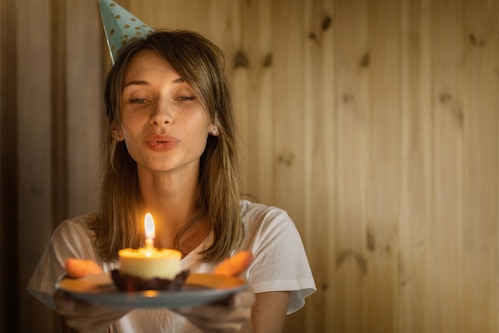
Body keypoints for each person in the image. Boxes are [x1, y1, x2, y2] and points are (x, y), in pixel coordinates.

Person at [26, 28, 316, 332]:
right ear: (117, 126)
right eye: (138, 99)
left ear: (214, 120)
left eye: (185, 96)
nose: (161, 115)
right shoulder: (77, 243)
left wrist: (231, 322)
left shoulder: (265, 233)